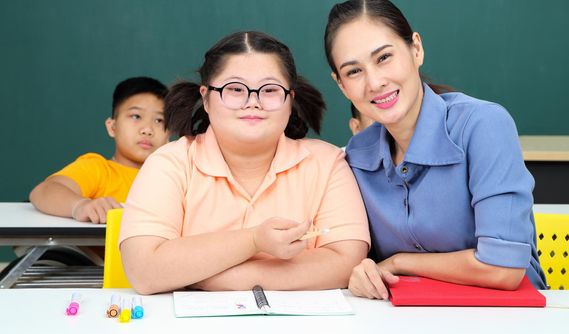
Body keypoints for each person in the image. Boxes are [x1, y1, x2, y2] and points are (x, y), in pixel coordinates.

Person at [324, 0, 546, 299]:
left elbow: (503, 270)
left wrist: (400, 263)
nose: (374, 82)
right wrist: (363, 272)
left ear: (416, 49)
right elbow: (357, 260)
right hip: (407, 317)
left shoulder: (483, 126)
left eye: (384, 57)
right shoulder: (357, 157)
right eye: (354, 71)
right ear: (341, 85)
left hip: (506, 316)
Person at [119, 31, 370, 295]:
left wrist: (198, 274)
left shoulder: (327, 163)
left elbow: (346, 261)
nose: (253, 102)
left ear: (290, 99)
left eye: (270, 90)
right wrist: (253, 240)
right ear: (205, 98)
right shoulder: (168, 164)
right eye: (235, 89)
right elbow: (144, 270)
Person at [30, 77, 170, 224]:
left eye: (159, 120)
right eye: (136, 116)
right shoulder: (98, 169)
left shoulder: (176, 178)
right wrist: (80, 205)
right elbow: (43, 191)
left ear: (169, 135)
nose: (147, 130)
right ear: (112, 127)